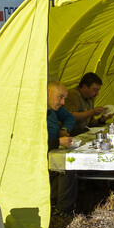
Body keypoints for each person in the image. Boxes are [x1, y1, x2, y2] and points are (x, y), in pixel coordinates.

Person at [47, 81, 78, 215]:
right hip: (43, 153)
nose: (63, 102)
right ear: (48, 93)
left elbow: (70, 117)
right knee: (69, 164)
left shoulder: (54, 109)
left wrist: (64, 129)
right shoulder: (34, 113)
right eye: (60, 97)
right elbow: (33, 144)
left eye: (64, 98)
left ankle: (56, 203)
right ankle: (63, 210)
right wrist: (57, 142)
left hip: (55, 149)